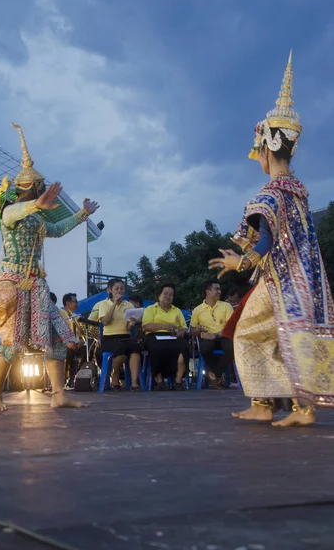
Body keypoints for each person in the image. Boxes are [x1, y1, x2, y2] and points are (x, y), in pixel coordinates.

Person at [208, 52, 334, 426]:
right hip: (307, 280)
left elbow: (264, 243)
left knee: (246, 333)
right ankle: (301, 409)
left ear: (265, 147)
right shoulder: (299, 193)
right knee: (284, 335)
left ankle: (264, 404)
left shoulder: (269, 195)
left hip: (280, 279)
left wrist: (238, 262)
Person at [0, 122, 99, 412]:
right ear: (34, 188)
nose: (43, 191)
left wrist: (82, 214)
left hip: (36, 285)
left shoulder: (36, 219)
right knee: (12, 345)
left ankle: (58, 394)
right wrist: (37, 205)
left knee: (57, 338)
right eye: (41, 188)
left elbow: (58, 229)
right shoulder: (9, 211)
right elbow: (19, 211)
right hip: (13, 285)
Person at [142, 284, 189, 390]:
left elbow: (184, 327)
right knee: (155, 347)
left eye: (171, 295)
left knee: (184, 346)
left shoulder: (176, 310)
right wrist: (164, 326)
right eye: (165, 294)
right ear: (159, 295)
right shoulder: (151, 309)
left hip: (173, 336)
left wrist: (180, 332)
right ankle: (159, 380)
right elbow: (146, 326)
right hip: (155, 335)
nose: (168, 296)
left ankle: (178, 380)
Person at [98, 279, 142, 391]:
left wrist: (132, 324)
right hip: (109, 338)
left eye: (122, 289)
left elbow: (128, 328)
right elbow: (105, 322)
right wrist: (114, 305)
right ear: (109, 290)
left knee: (136, 348)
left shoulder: (129, 305)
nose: (119, 291)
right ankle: (115, 373)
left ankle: (134, 383)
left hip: (125, 337)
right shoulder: (103, 304)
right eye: (116, 289)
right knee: (121, 349)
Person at [190, 280, 234, 389]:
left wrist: (216, 335)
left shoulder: (226, 306)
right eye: (216, 289)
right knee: (204, 348)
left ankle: (214, 374)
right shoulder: (198, 310)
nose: (219, 291)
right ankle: (217, 375)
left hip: (223, 336)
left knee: (232, 349)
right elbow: (192, 330)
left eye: (220, 289)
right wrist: (198, 329)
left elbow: (231, 326)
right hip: (207, 337)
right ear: (208, 291)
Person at [62, 293, 87, 385]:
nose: (77, 304)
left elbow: (82, 334)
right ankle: (68, 377)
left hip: (76, 344)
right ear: (68, 303)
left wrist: (81, 341)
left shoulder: (77, 317)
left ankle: (79, 375)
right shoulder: (61, 315)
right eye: (75, 301)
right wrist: (68, 343)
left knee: (87, 350)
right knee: (69, 351)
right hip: (65, 345)